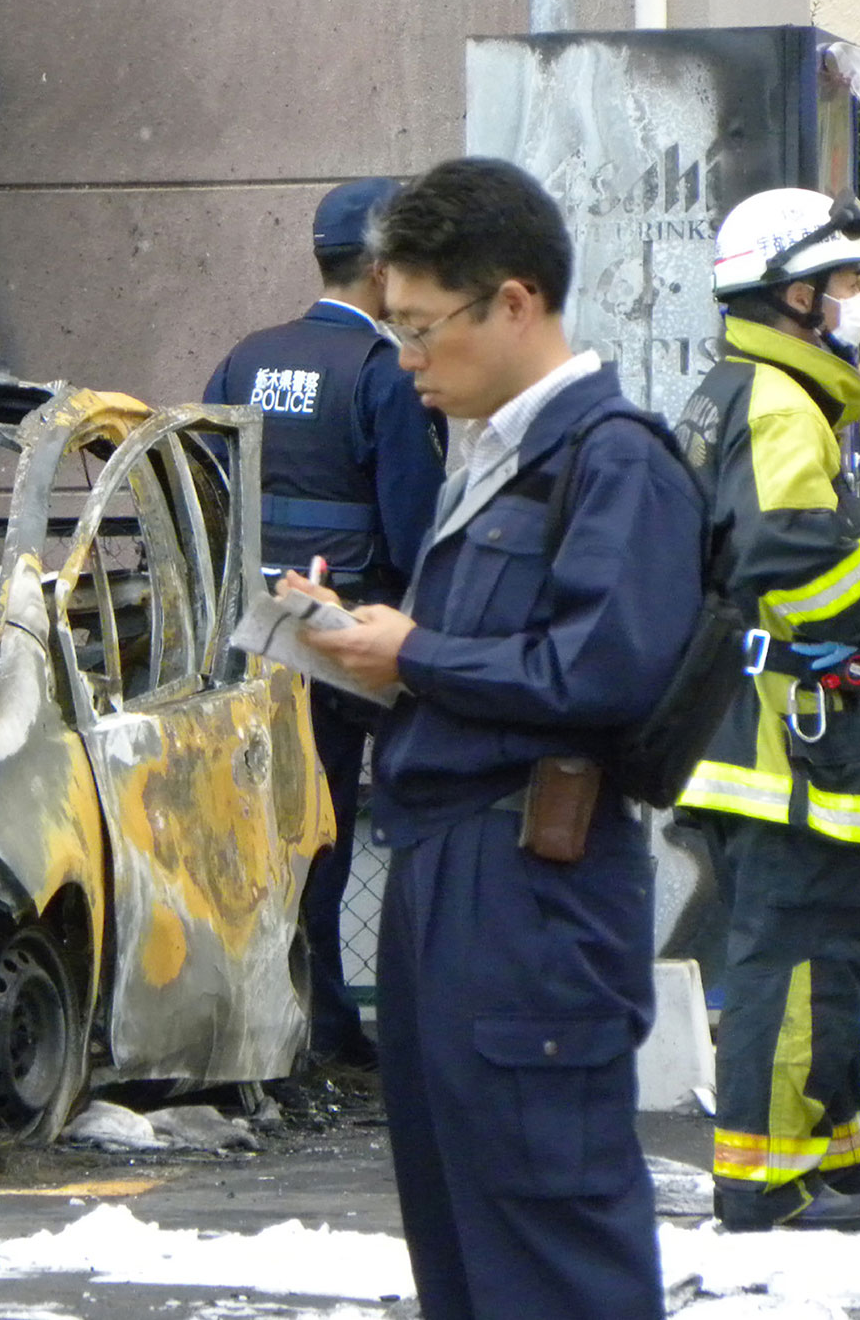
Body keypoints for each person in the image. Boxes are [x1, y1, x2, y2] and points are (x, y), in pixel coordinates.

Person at [291, 156, 699, 1320]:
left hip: (529, 876)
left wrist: (409, 653)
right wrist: (351, 641)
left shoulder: (610, 458)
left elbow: (602, 672)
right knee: (459, 1230)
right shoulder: (491, 456)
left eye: (421, 330)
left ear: (512, 301)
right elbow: (490, 665)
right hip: (449, 865)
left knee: (544, 1231)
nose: (407, 363)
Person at [671, 186, 860, 1231]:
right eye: (841, 285)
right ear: (792, 296)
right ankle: (760, 1183)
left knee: (831, 947)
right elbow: (787, 550)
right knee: (789, 955)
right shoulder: (777, 402)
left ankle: (830, 1152)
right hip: (787, 732)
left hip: (765, 726)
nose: (856, 303)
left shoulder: (738, 388)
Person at [204, 176, 445, 1068]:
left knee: (254, 829)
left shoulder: (248, 356)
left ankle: (268, 1011)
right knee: (326, 828)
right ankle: (325, 1019)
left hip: (245, 634)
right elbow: (418, 527)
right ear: (382, 268)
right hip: (341, 645)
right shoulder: (382, 375)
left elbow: (206, 486)